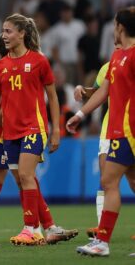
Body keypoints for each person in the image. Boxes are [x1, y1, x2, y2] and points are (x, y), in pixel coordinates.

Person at [0, 36, 78, 246]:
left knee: (23, 180)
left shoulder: (1, 70)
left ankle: (46, 227)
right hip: (3, 136)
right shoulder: (4, 71)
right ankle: (35, 227)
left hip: (3, 134)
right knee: (11, 182)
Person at [68, 7, 135, 257]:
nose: (113, 30)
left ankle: (102, 242)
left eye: (115, 25)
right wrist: (80, 115)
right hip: (119, 130)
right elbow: (103, 91)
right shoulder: (117, 57)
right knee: (114, 182)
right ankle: (102, 242)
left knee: (109, 182)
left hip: (130, 131)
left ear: (120, 27)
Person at [73, 61, 110, 238]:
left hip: (130, 126)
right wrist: (82, 89)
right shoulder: (108, 67)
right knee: (105, 179)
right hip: (110, 128)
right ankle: (101, 227)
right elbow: (98, 91)